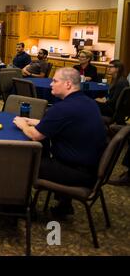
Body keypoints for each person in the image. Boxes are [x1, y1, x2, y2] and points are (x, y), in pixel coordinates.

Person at [13, 68, 106, 217]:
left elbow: (36, 135)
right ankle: (64, 205)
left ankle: (23, 208)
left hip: (76, 173)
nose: (51, 84)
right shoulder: (87, 103)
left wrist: (22, 124)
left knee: (22, 162)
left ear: (68, 84)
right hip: (91, 167)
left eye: (55, 81)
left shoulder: (62, 108)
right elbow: (66, 124)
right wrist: (34, 121)